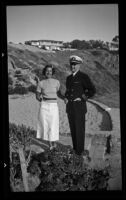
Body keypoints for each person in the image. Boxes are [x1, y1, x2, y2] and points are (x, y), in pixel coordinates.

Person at [64, 55, 96, 156]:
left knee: (79, 130)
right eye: (71, 64)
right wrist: (66, 97)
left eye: (75, 65)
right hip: (70, 107)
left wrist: (82, 98)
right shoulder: (69, 78)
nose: (73, 67)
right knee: (73, 129)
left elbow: (92, 90)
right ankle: (75, 150)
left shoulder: (83, 76)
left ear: (79, 65)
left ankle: (80, 152)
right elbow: (68, 91)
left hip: (79, 107)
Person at [36, 64, 61, 150]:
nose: (48, 72)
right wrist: (41, 100)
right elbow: (37, 95)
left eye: (50, 71)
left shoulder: (57, 82)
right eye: (47, 71)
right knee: (46, 125)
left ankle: (54, 143)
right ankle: (50, 145)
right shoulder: (41, 83)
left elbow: (58, 93)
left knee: (53, 125)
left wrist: (65, 98)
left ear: (52, 72)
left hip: (54, 106)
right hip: (44, 106)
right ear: (44, 72)